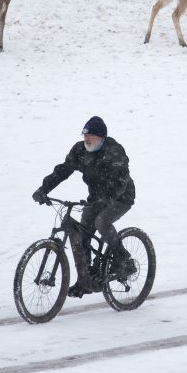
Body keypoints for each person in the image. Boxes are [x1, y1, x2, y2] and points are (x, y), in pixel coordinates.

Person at [32, 116, 136, 297]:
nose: (86, 139)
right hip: (95, 198)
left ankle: (123, 259)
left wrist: (107, 199)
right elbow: (63, 170)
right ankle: (85, 281)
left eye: (91, 135)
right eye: (84, 135)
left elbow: (120, 181)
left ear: (101, 137)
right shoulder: (80, 151)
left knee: (101, 222)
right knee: (81, 236)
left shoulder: (114, 151)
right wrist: (44, 189)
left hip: (121, 197)